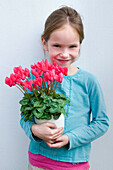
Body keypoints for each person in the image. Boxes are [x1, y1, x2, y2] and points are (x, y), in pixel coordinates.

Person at [20, 6, 109, 170]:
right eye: (57, 46)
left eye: (72, 47)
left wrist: (71, 138)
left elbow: (102, 122)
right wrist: (34, 129)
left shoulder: (89, 82)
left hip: (75, 163)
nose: (65, 54)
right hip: (39, 161)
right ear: (44, 43)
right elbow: (25, 117)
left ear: (80, 45)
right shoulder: (36, 78)